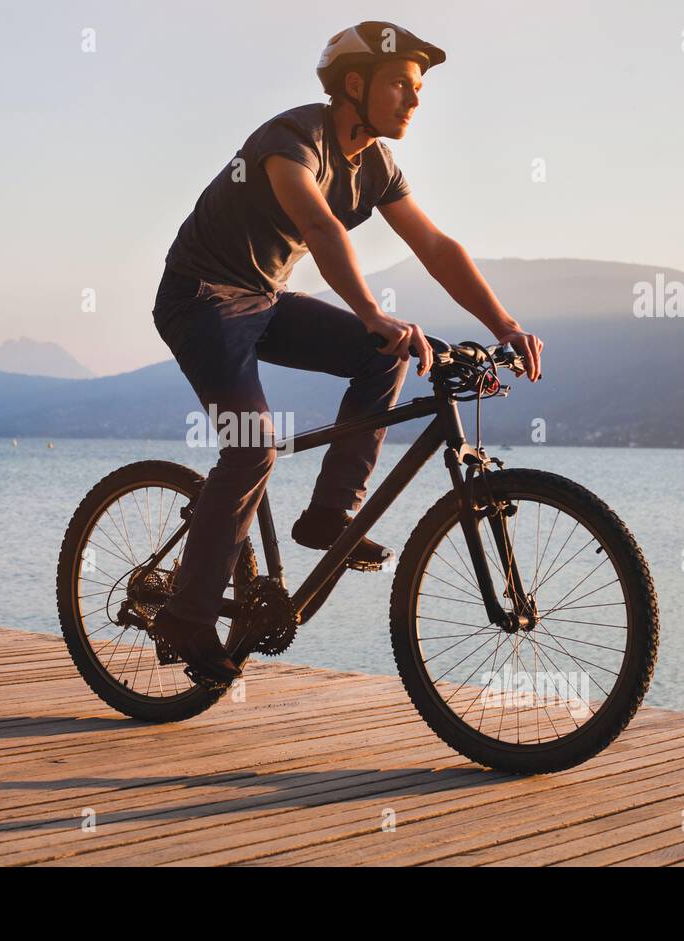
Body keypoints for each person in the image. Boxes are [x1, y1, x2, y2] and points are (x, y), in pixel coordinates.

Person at [150, 21, 544, 683]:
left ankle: (329, 513)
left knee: (383, 355)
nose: (414, 101)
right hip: (201, 299)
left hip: (264, 301)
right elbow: (317, 225)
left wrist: (504, 325)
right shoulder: (291, 139)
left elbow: (438, 248)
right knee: (252, 445)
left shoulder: (378, 165)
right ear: (354, 85)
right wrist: (371, 312)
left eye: (418, 90)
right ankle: (186, 617)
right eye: (401, 85)